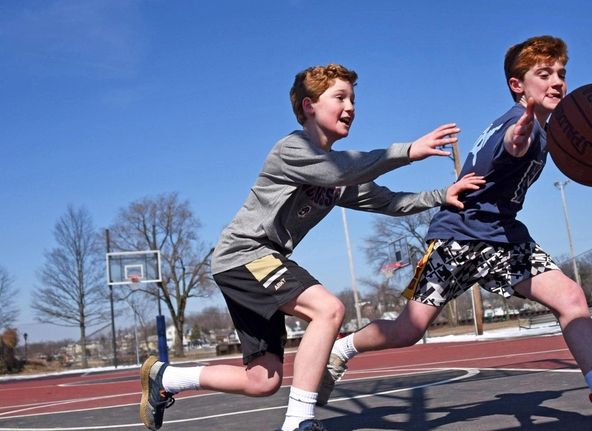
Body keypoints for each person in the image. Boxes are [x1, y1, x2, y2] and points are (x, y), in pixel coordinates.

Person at [320, 37, 592, 430]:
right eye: (543, 74)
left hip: (502, 237)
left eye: (561, 73)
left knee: (571, 297)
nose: (557, 82)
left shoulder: (533, 125)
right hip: (457, 237)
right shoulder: (519, 126)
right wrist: (521, 136)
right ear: (517, 85)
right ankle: (344, 347)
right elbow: (513, 146)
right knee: (409, 329)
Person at [138, 63, 485, 431]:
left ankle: (167, 378)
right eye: (340, 97)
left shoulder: (337, 176)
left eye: (353, 99)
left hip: (258, 262)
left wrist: (439, 195)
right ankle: (299, 422)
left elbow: (385, 200)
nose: (350, 107)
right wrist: (408, 151)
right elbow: (340, 170)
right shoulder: (292, 148)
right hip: (246, 254)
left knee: (263, 380)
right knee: (329, 309)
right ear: (308, 106)